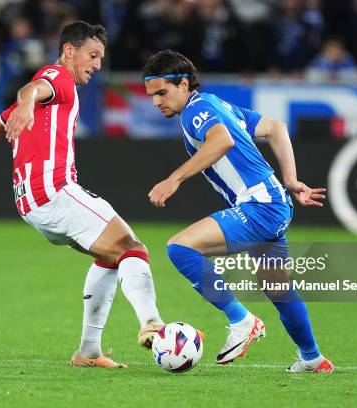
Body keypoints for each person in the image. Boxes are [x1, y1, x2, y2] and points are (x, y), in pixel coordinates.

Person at [0, 21, 164, 369]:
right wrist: (27, 102)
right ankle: (154, 326)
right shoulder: (58, 78)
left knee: (111, 256)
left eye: (101, 58)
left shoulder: (53, 94)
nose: (97, 65)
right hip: (54, 191)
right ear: (70, 51)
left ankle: (88, 353)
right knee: (133, 249)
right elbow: (33, 88)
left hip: (32, 204)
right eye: (92, 55)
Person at [142, 50, 334, 372]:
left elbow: (222, 141)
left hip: (259, 206)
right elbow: (276, 128)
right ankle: (312, 358)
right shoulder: (219, 104)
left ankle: (241, 320)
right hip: (274, 203)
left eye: (162, 92)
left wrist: (174, 179)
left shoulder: (196, 110)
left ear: (184, 84)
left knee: (179, 248)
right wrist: (290, 181)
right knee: (279, 290)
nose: (156, 101)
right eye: (151, 95)